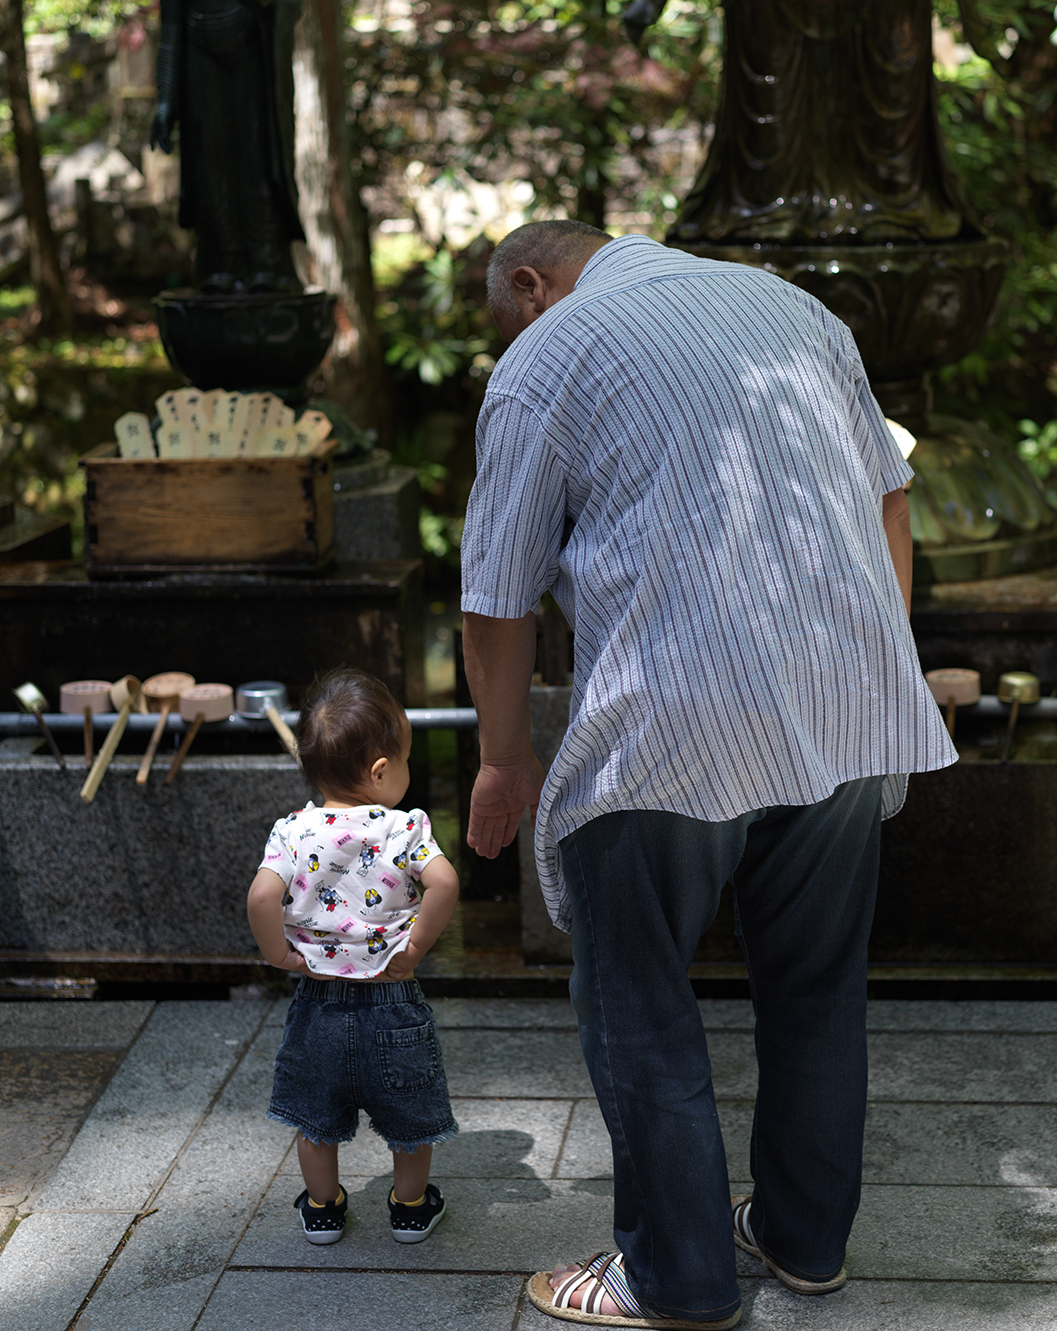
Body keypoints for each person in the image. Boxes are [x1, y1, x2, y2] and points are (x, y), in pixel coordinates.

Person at [459, 221, 953, 1328]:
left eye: (506, 318)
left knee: (634, 998)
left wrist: (501, 756)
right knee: (817, 986)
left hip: (668, 722)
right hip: (840, 706)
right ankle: (801, 1239)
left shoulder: (548, 353)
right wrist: (872, 666)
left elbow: (495, 593)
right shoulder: (794, 309)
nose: (511, 338)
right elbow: (889, 499)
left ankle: (675, 1278)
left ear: (529, 284)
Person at [247, 667, 459, 1248]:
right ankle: (410, 1208)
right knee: (410, 1120)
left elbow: (261, 896)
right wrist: (414, 947)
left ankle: (323, 1209)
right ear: (381, 770)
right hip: (393, 996)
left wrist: (278, 954)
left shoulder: (292, 832)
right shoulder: (405, 829)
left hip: (317, 1000)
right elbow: (444, 883)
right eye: (407, 760)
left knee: (316, 1119)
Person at [149, 0, 305, 293]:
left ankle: (266, 262)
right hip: (201, 74)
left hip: (255, 73)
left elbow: (293, 3)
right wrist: (165, 99)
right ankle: (218, 262)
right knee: (209, 165)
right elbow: (170, 28)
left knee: (258, 162)